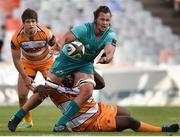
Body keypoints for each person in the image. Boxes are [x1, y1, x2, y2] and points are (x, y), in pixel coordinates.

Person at [8, 74, 179, 132]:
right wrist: (18, 117)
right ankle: (164, 130)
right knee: (130, 122)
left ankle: (115, 125)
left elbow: (101, 84)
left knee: (125, 112)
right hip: (88, 122)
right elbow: (37, 96)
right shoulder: (53, 86)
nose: (68, 78)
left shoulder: (79, 73)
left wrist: (89, 65)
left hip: (98, 109)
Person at [47, 5, 117, 132]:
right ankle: (20, 115)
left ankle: (60, 124)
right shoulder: (85, 28)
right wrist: (60, 44)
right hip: (67, 61)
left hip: (84, 65)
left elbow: (110, 50)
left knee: (88, 90)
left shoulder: (110, 35)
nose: (105, 23)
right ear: (95, 19)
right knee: (48, 88)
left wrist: (107, 57)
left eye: (107, 20)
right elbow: (67, 37)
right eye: (102, 19)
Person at [10, 8, 57, 128]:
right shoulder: (16, 38)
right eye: (27, 21)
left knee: (56, 90)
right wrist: (25, 77)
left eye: (33, 21)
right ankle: (28, 121)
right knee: (21, 95)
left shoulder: (46, 32)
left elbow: (56, 45)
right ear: (23, 23)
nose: (30, 24)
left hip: (46, 63)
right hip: (28, 63)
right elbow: (16, 59)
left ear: (36, 22)